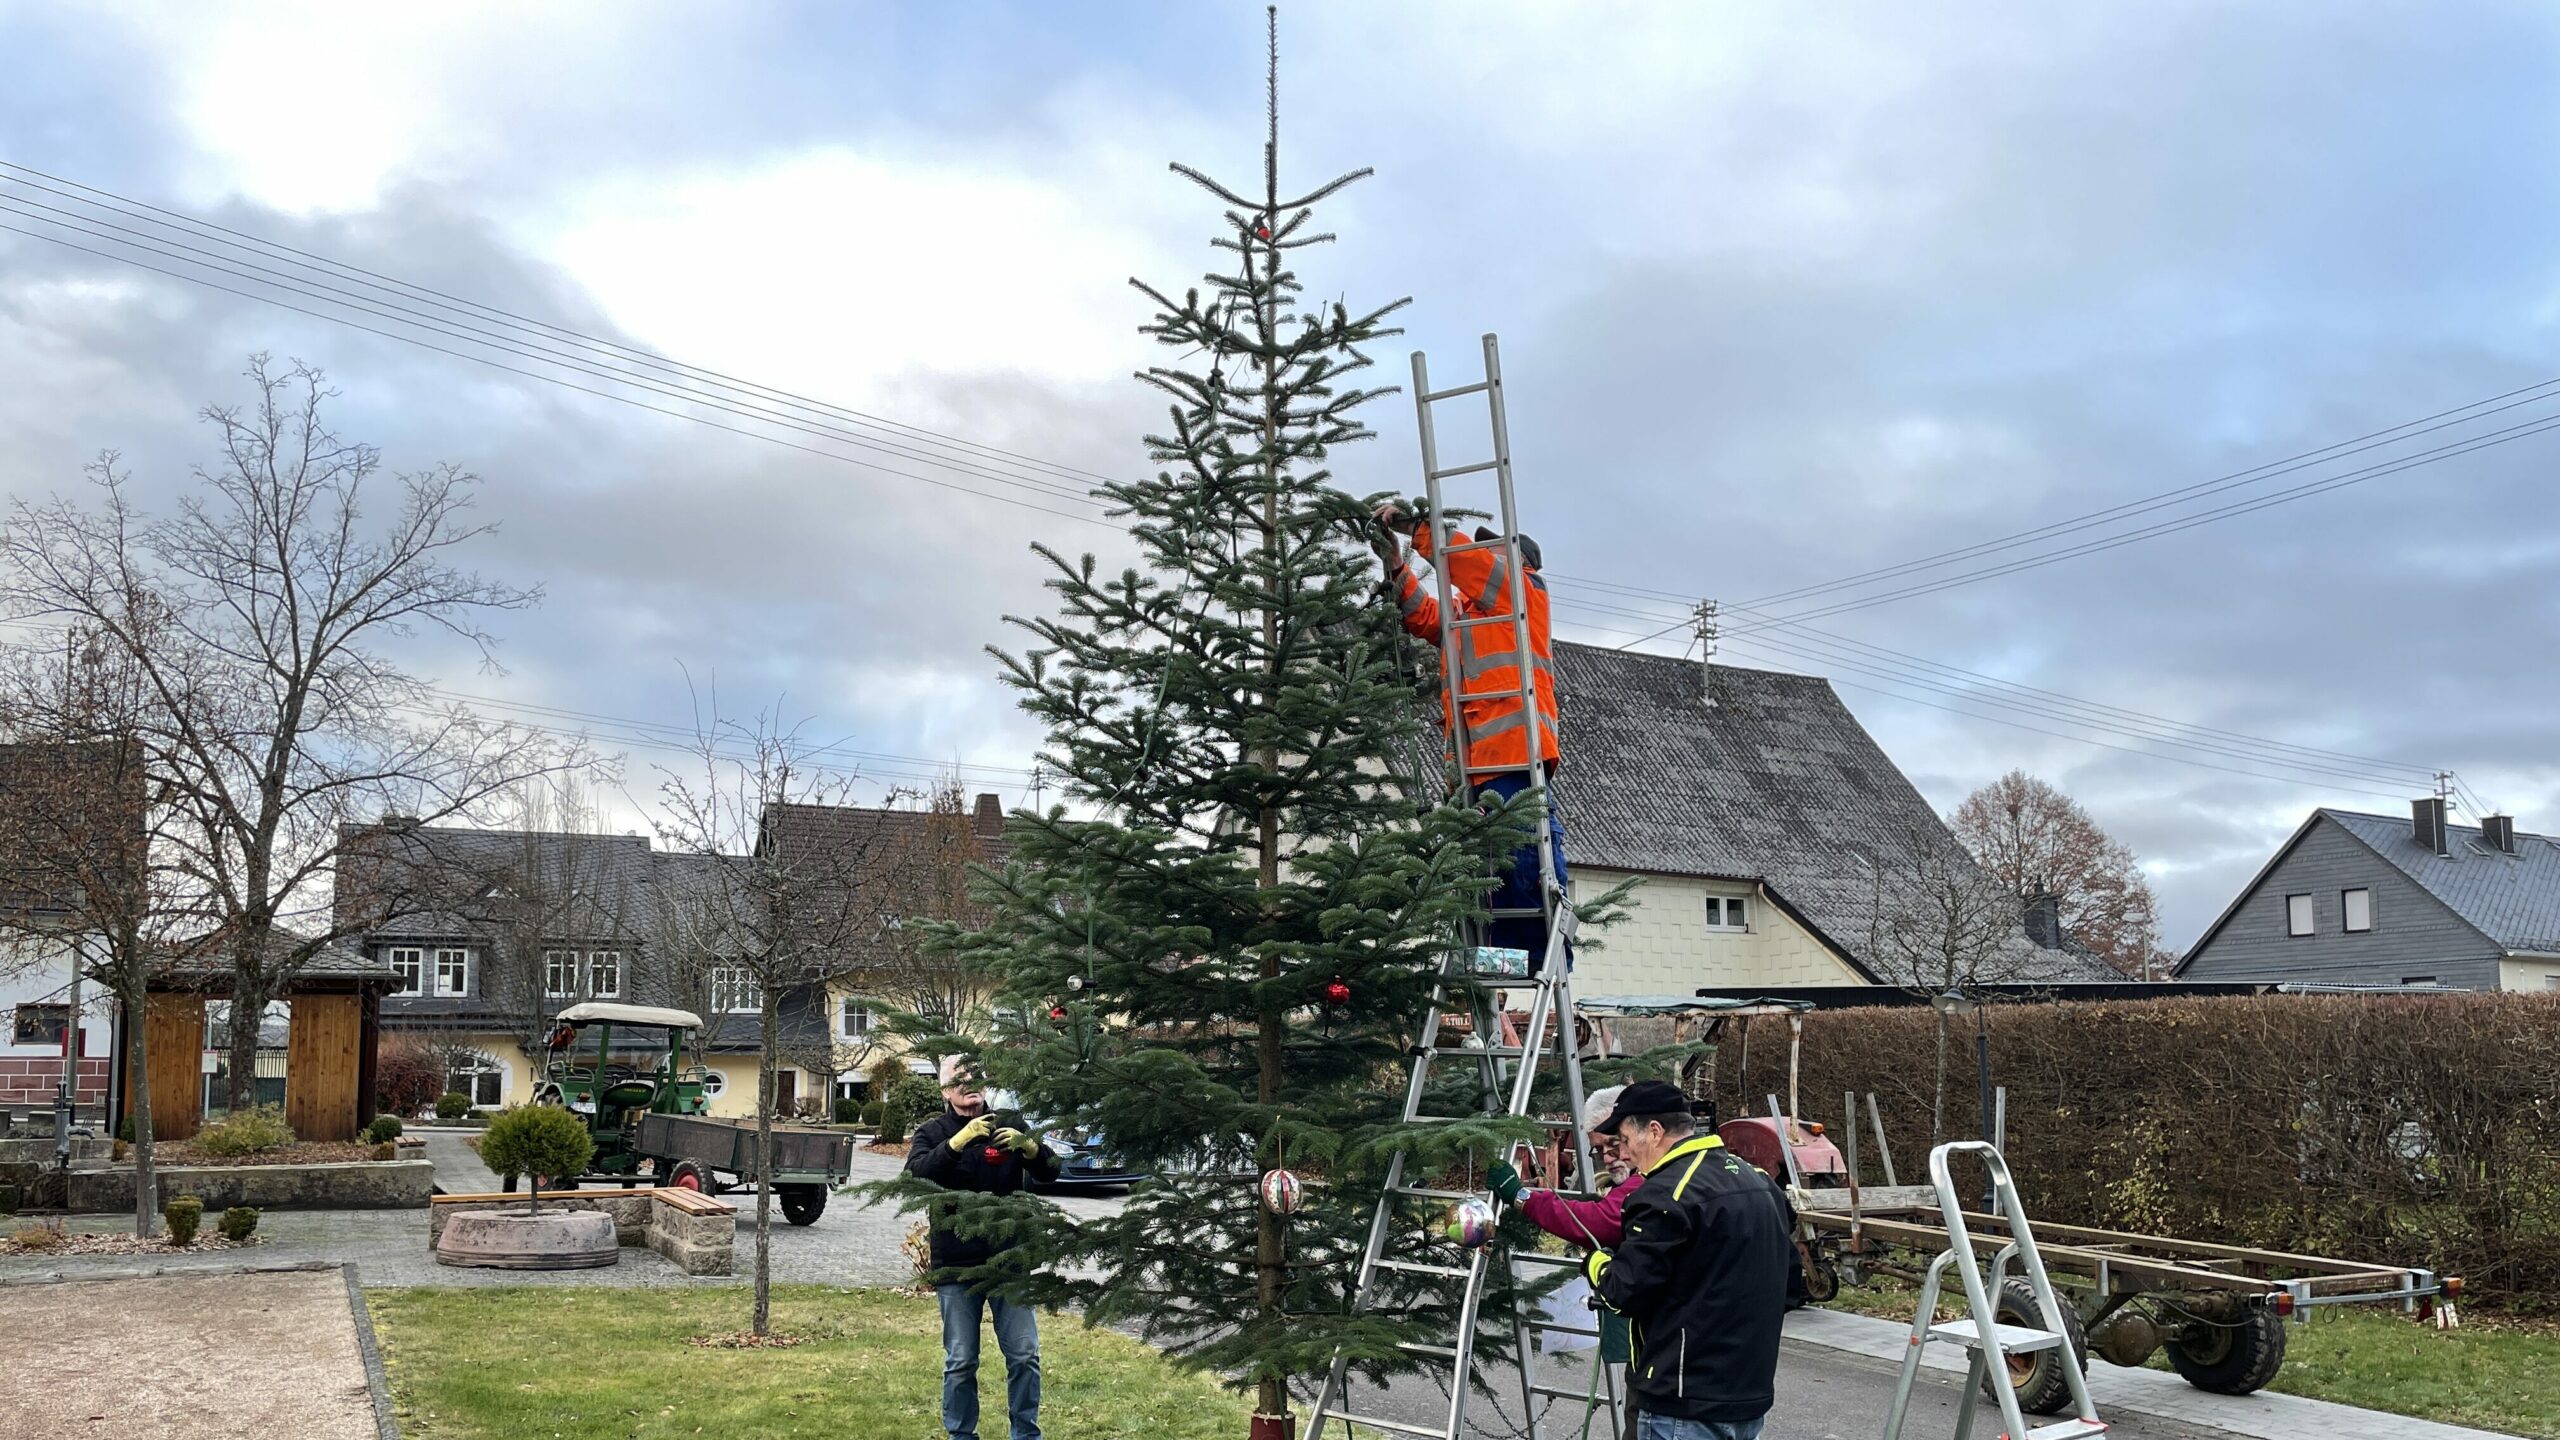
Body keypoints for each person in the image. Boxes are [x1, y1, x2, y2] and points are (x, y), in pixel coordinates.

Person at [1372, 500, 1568, 969]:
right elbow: (1425, 617)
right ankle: (1495, 960)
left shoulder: (1523, 596)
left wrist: (1418, 528)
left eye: (1494, 553)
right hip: (1472, 767)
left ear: (1518, 563)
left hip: (1514, 756)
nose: (1486, 560)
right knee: (1483, 871)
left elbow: (1471, 566)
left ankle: (1542, 959)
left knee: (1520, 864)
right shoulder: (1468, 613)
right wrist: (1395, 563)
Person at [1582, 1080, 1795, 1440]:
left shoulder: (1664, 1194)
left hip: (1681, 1401)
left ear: (1653, 1132)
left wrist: (1596, 1262)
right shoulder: (1758, 1181)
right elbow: (1789, 1283)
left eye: (1625, 1139)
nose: (1626, 1153)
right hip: (1748, 1397)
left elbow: (1624, 1291)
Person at [906, 1054, 1062, 1440]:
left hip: (1009, 1259)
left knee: (1025, 1356)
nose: (968, 1085)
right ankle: (961, 1435)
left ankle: (1025, 1434)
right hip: (956, 1265)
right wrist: (957, 1143)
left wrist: (1030, 1149)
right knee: (961, 1360)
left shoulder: (1009, 1123)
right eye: (958, 1080)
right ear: (944, 1090)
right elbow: (914, 1177)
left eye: (975, 1077)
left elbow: (1051, 1170)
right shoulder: (932, 1131)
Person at [1489, 1084, 1644, 1439]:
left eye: (1614, 1144)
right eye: (1599, 1150)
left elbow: (1599, 1221)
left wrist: (1521, 1196)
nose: (1608, 1157)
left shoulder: (1653, 1185)